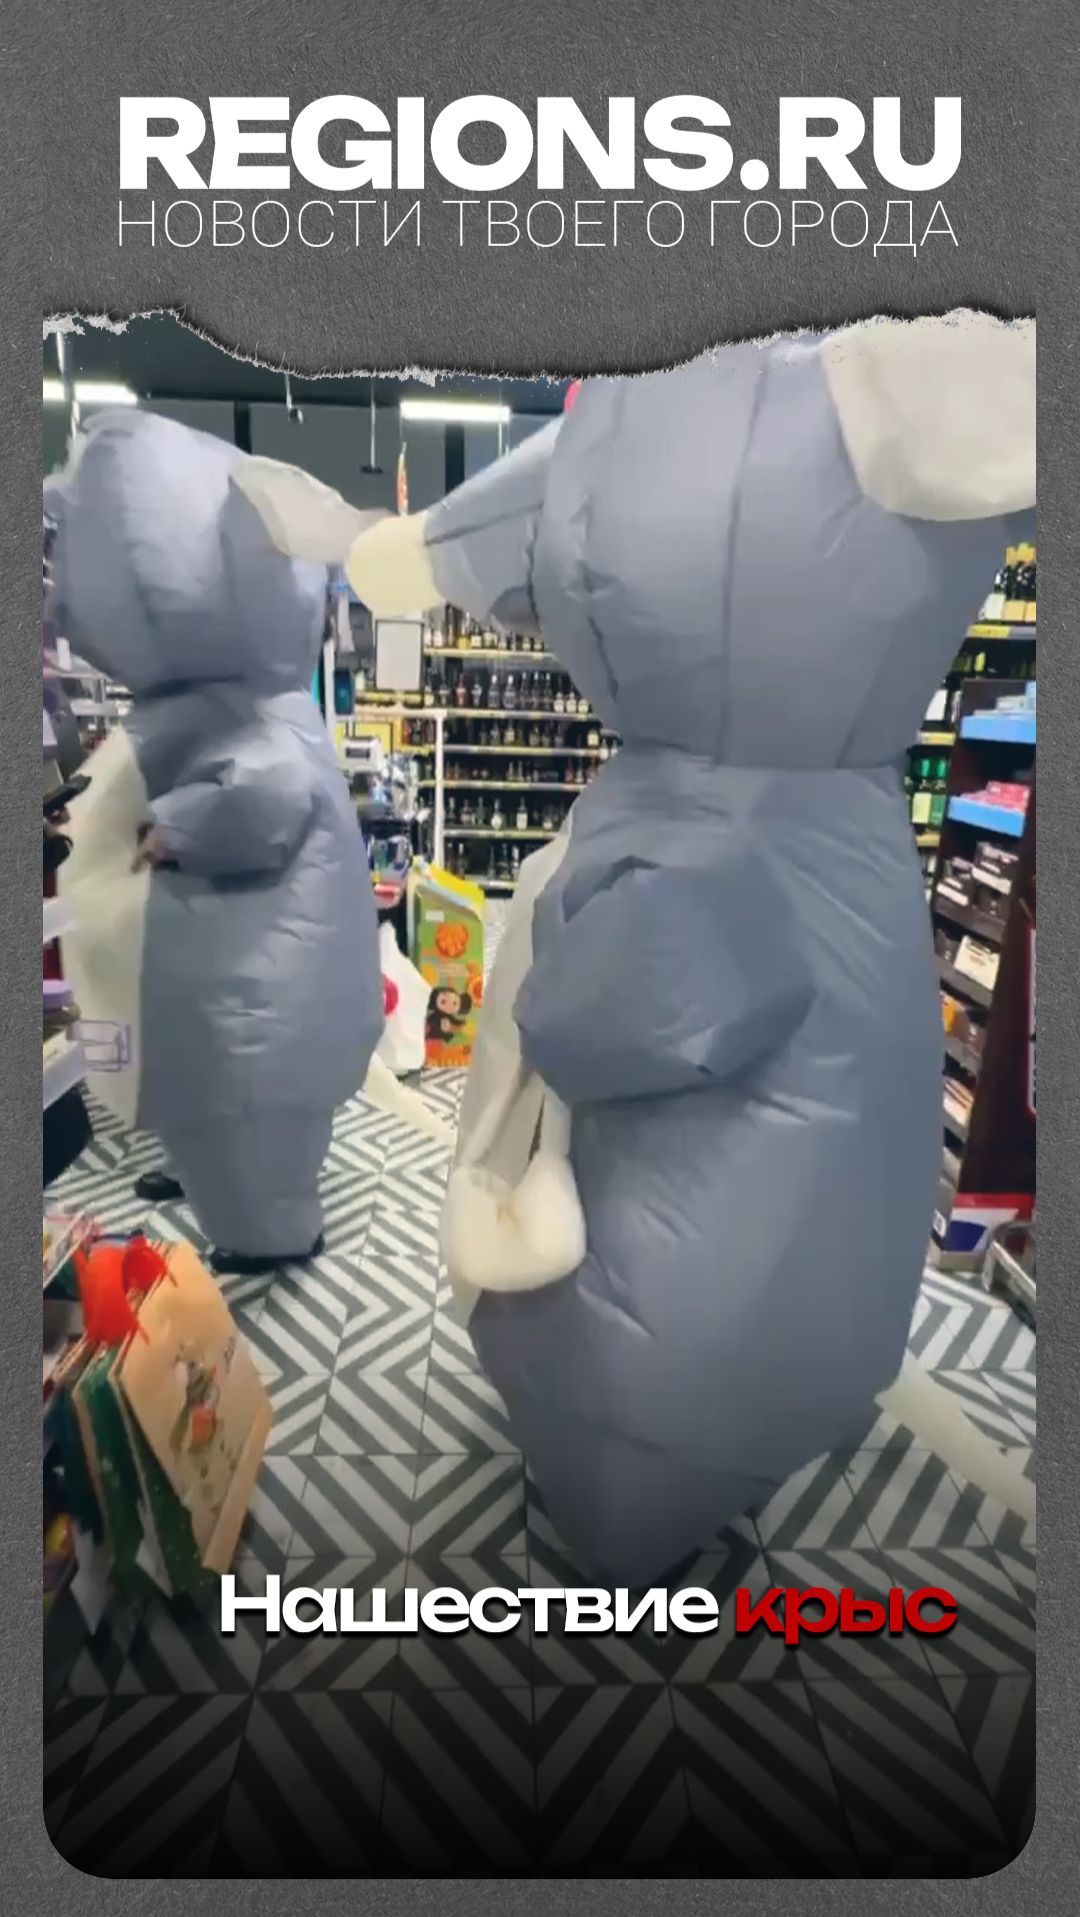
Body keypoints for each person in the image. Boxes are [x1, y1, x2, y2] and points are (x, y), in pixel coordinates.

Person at [234, 316, 1036, 1582]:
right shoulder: (815, 807)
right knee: (792, 1216)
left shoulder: (742, 828)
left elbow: (629, 1012)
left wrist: (559, 977)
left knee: (679, 1269)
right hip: (803, 910)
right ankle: (740, 1433)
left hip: (675, 1206)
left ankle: (645, 1503)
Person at [45, 410, 384, 1275]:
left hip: (264, 988)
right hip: (223, 980)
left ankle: (272, 1229)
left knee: (250, 1116)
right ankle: (199, 1167)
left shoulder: (259, 712)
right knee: (204, 1088)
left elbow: (267, 797)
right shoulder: (220, 698)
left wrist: (175, 828)